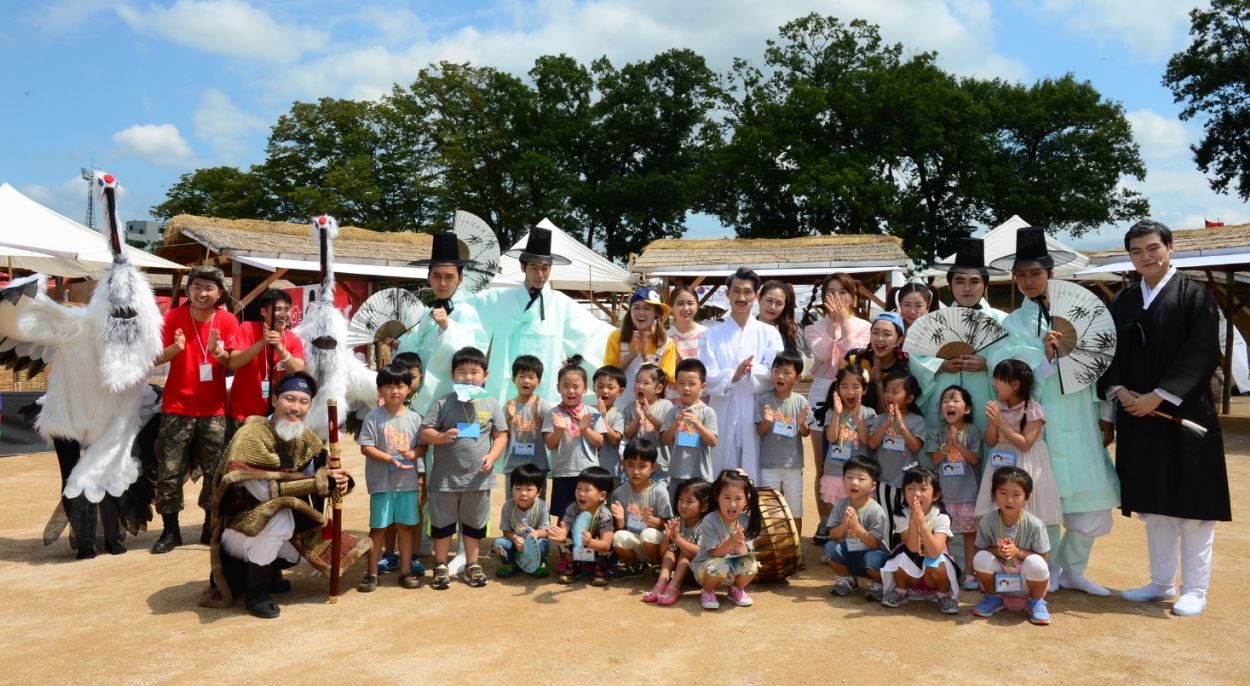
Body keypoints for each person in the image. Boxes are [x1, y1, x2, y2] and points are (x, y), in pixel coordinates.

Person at [1099, 220, 1231, 616]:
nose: (1145, 257)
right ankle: (1159, 582)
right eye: (1136, 251)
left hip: (1187, 415)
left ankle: (1194, 588)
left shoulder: (1195, 296)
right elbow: (1105, 352)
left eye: (1152, 248)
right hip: (1137, 415)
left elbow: (1204, 350)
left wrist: (1160, 396)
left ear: (1170, 248)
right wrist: (1120, 392)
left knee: (1193, 506)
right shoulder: (1122, 301)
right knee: (1153, 505)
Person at [989, 226, 1119, 595]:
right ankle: (1048, 569)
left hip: (1079, 414)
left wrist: (1106, 413)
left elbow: (1101, 362)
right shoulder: (1012, 322)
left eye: (1036, 273)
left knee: (1089, 503)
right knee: (1041, 500)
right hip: (1038, 420)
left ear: (1051, 274)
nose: (1029, 281)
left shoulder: (1081, 311)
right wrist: (1042, 355)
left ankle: (1073, 568)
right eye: (1022, 275)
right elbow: (1003, 363)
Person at [199, 372, 368, 618]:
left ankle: (269, 572)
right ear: (275, 399)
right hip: (240, 527)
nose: (295, 408)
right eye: (289, 399)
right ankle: (256, 592)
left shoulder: (306, 437)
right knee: (279, 517)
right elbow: (266, 493)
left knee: (315, 545)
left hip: (279, 524)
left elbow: (325, 472)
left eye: (303, 401)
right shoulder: (250, 435)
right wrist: (319, 483)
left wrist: (340, 481)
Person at [152, 264, 240, 553]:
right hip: (177, 406)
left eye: (209, 287)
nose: (202, 293)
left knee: (216, 471)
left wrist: (219, 354)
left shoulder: (227, 321)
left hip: (214, 409)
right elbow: (151, 359)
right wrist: (173, 351)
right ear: (189, 290)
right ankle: (170, 530)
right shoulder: (173, 317)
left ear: (220, 292)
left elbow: (233, 362)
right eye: (197, 286)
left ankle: (209, 525)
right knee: (169, 468)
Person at [474, 225, 613, 405]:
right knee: (503, 420)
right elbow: (469, 315)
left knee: (544, 418)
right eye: (534, 267)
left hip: (545, 380)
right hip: (507, 377)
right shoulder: (499, 299)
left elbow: (592, 334)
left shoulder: (561, 303)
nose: (540, 274)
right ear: (523, 267)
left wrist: (626, 337)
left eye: (545, 268)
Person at [418, 346, 508, 590]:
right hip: (445, 479)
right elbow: (426, 432)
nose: (468, 377)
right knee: (442, 524)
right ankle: (440, 565)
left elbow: (501, 435)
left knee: (474, 524)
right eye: (462, 372)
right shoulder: (443, 402)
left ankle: (472, 564)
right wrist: (441, 437)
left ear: (485, 375)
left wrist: (492, 457)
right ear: (452, 374)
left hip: (479, 479)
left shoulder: (491, 404)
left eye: (474, 372)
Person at [909, 238, 1008, 432]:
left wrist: (988, 364)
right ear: (950, 285)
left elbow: (1015, 361)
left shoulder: (1003, 321)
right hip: (943, 399)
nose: (967, 288)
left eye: (974, 282)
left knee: (985, 446)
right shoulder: (932, 322)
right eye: (960, 281)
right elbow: (915, 357)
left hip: (987, 397)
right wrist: (939, 366)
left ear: (985, 285)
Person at [697, 267, 784, 479]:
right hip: (723, 408)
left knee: (756, 470)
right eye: (736, 291)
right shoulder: (712, 334)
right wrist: (732, 376)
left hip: (756, 408)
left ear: (756, 295)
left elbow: (777, 373)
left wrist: (750, 371)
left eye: (747, 292)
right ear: (727, 294)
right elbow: (705, 374)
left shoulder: (769, 333)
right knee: (721, 466)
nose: (741, 297)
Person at [804, 273, 871, 544]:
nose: (836, 298)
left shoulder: (864, 326)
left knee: (854, 460)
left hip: (853, 394)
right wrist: (833, 324)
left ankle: (855, 520)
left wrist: (844, 321)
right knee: (823, 464)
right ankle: (825, 521)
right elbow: (821, 355)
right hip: (822, 394)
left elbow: (852, 357)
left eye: (842, 292)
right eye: (830, 292)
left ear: (852, 295)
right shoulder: (813, 327)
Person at [974, 360, 1062, 552]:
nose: (994, 384)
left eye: (998, 379)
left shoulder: (1033, 409)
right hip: (1000, 461)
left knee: (1027, 505)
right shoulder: (997, 406)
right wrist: (992, 423)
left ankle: (1035, 560)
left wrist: (1000, 422)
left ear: (1015, 384)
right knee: (1002, 501)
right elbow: (990, 441)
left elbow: (1025, 443)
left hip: (1027, 463)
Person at [397, 232, 487, 415]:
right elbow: (418, 350)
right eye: (437, 276)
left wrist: (449, 326)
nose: (443, 283)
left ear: (460, 279)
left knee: (455, 440)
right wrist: (400, 344)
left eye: (450, 277)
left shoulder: (467, 311)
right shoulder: (426, 313)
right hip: (424, 396)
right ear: (429, 277)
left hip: (456, 395)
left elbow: (477, 352)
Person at [356, 365, 423, 593]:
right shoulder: (373, 417)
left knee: (405, 527)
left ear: (409, 389)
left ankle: (405, 571)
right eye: (389, 386)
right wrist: (389, 459)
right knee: (378, 528)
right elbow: (366, 447)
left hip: (407, 484)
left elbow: (421, 447)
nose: (395, 391)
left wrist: (413, 454)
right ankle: (371, 574)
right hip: (382, 484)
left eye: (400, 386)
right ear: (380, 390)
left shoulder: (415, 418)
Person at [971, 467, 1053, 626]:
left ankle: (1036, 602)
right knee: (981, 559)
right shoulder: (988, 521)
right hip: (999, 580)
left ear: (1026, 497)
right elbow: (979, 551)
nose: (1009, 500)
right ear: (994, 495)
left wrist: (1018, 552)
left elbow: (1044, 558)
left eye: (1016, 495)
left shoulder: (1035, 525)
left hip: (1026, 583)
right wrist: (998, 551)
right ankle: (993, 597)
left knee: (1036, 563)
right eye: (1003, 493)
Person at [223, 288, 306, 441]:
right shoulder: (247, 328)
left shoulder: (293, 339)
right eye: (277, 309)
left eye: (287, 309)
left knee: (274, 461)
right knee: (243, 461)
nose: (284, 314)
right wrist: (262, 343)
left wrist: (280, 348)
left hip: (279, 416)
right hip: (244, 413)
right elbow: (233, 363)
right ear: (263, 312)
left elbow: (298, 369)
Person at [925, 385, 985, 590]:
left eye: (955, 400)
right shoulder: (936, 432)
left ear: (967, 409)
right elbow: (934, 459)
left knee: (970, 534)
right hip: (944, 495)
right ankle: (948, 569)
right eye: (945, 400)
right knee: (943, 534)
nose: (950, 404)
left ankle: (969, 572)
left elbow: (975, 459)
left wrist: (958, 445)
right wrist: (947, 446)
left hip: (968, 493)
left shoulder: (974, 431)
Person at [878, 465, 960, 614]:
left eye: (923, 489)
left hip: (932, 574)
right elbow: (912, 548)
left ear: (935, 495)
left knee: (940, 564)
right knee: (900, 558)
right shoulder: (901, 514)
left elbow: (935, 552)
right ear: (904, 492)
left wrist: (922, 525)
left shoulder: (941, 516)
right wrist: (913, 522)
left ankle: (943, 595)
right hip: (911, 573)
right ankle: (901, 591)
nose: (916, 494)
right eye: (910, 488)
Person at [754, 350, 811, 535]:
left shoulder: (800, 401)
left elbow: (805, 433)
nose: (780, 376)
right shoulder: (764, 400)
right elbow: (759, 432)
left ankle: (798, 551)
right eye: (776, 370)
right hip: (768, 465)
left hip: (793, 466)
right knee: (769, 511)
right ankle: (773, 551)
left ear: (797, 377)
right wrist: (767, 422)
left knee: (795, 510)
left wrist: (802, 423)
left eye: (787, 372)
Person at [865, 370, 927, 542]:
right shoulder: (880, 419)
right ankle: (886, 552)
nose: (889, 395)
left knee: (907, 520)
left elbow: (915, 446)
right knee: (885, 518)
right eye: (887, 390)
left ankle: (906, 552)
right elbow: (872, 443)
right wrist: (887, 424)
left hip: (908, 482)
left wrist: (900, 423)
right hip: (884, 481)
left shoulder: (917, 421)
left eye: (895, 391)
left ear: (909, 398)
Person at [543, 360, 607, 519]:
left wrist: (584, 429)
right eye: (565, 386)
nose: (571, 391)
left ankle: (587, 542)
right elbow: (550, 444)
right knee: (563, 514)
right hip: (563, 472)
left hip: (588, 471)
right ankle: (564, 543)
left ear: (585, 389)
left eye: (576, 386)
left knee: (588, 512)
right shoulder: (553, 413)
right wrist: (559, 429)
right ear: (558, 388)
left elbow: (599, 442)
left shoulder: (591, 412)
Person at [694, 469, 762, 610]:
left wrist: (740, 545)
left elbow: (744, 552)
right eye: (727, 498)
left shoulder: (746, 520)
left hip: (730, 571)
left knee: (751, 563)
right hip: (706, 569)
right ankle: (707, 591)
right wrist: (731, 542)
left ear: (746, 500)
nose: (732, 504)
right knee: (720, 565)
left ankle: (735, 590)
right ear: (717, 496)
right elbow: (715, 553)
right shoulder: (710, 520)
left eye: (738, 499)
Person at [823, 456, 889, 601]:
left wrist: (856, 526)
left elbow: (874, 544)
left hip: (871, 555)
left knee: (872, 559)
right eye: (849, 477)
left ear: (873, 486)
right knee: (830, 549)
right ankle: (848, 579)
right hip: (850, 553)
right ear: (843, 480)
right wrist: (844, 526)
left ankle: (879, 583)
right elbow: (833, 534)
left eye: (861, 479)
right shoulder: (841, 505)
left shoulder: (876, 511)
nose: (854, 482)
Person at [817, 367, 876, 526]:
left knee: (859, 520)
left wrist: (858, 418)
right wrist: (836, 413)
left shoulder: (869, 413)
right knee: (835, 520)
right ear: (837, 389)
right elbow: (831, 438)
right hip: (835, 472)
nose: (850, 391)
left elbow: (866, 440)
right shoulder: (832, 412)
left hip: (858, 475)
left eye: (856, 387)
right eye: (844, 386)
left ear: (864, 390)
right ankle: (834, 547)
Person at [610, 438, 674, 575]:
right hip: (635, 542)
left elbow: (668, 524)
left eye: (642, 466)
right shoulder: (619, 493)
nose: (636, 471)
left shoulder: (659, 491)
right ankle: (635, 565)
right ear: (623, 465)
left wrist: (651, 520)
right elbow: (619, 528)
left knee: (648, 534)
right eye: (631, 465)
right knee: (618, 537)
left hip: (655, 543)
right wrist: (620, 520)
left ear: (653, 468)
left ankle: (658, 564)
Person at [604, 287, 676, 408]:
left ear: (657, 313)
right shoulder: (616, 337)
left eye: (647, 308)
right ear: (630, 311)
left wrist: (645, 357)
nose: (641, 313)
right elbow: (608, 376)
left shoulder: (666, 343)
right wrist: (632, 354)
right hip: (620, 407)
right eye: (636, 307)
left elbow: (664, 382)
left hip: (652, 409)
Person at [644, 477, 710, 606]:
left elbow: (701, 553)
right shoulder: (677, 521)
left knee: (685, 545)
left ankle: (674, 585)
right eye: (680, 499)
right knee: (673, 546)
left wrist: (678, 539)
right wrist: (667, 537)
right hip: (675, 571)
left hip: (697, 574)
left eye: (690, 501)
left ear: (703, 507)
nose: (683, 505)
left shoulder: (706, 524)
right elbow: (662, 553)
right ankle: (662, 582)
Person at [661, 358, 719, 501]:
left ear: (702, 386)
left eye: (692, 384)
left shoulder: (708, 412)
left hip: (700, 473)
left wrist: (698, 425)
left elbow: (713, 442)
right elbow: (664, 440)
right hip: (676, 472)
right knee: (677, 510)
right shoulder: (673, 412)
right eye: (681, 383)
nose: (686, 388)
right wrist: (675, 425)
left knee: (700, 510)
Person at [548, 466, 616, 586]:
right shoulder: (572, 508)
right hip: (579, 547)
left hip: (596, 548)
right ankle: (571, 565)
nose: (580, 493)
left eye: (586, 490)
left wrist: (590, 542)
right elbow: (566, 526)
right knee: (565, 538)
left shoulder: (605, 515)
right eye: (578, 488)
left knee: (608, 542)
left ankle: (600, 569)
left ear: (602, 495)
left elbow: (606, 545)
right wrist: (562, 534)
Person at [492, 463, 551, 578]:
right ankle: (510, 563)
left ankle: (539, 563)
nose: (523, 494)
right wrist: (515, 538)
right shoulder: (508, 506)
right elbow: (506, 531)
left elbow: (546, 531)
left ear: (538, 492)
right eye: (518, 489)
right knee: (498, 543)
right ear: (512, 489)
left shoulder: (542, 506)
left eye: (529, 489)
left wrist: (535, 534)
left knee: (543, 544)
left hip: (534, 544)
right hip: (516, 544)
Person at [503, 355, 552, 492]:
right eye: (521, 376)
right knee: (513, 506)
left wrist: (538, 418)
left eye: (531, 377)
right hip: (513, 466)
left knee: (537, 507)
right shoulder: (509, 406)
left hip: (538, 466)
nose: (526, 381)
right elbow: (501, 437)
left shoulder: (543, 406)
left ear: (539, 380)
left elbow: (550, 439)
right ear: (513, 379)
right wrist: (510, 418)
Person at [844, 312, 907, 414]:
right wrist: (864, 380)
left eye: (887, 334)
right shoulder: (853, 358)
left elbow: (888, 413)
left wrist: (878, 384)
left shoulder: (901, 371)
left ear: (899, 340)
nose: (880, 338)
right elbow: (837, 396)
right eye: (875, 332)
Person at [621, 363, 673, 488]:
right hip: (635, 469)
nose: (640, 386)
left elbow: (667, 432)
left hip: (659, 468)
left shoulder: (666, 405)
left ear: (658, 389)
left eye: (646, 383)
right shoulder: (630, 407)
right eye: (637, 381)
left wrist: (649, 417)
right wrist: (638, 418)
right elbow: (627, 434)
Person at [591, 365, 627, 484]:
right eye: (600, 386)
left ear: (620, 391)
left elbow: (614, 441)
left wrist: (602, 417)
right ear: (593, 388)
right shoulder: (587, 411)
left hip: (610, 472)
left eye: (610, 387)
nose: (605, 391)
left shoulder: (618, 414)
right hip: (589, 470)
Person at [757, 280, 802, 353]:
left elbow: (796, 362)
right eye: (769, 300)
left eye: (779, 303)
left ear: (784, 306)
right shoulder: (745, 329)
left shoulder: (791, 333)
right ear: (759, 299)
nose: (773, 307)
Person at [667, 285, 708, 363]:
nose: (686, 308)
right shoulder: (667, 338)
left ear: (697, 306)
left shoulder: (707, 334)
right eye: (680, 303)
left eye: (690, 303)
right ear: (671, 307)